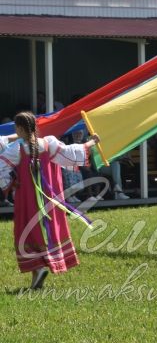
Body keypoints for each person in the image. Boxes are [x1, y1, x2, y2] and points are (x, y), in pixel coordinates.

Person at [0, 112, 99, 290]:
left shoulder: (16, 149)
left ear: (20, 129)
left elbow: (1, 169)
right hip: (49, 201)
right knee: (48, 229)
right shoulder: (49, 143)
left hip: (27, 201)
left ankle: (37, 269)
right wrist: (91, 142)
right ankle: (47, 264)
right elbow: (71, 153)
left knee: (27, 231)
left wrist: (11, 183)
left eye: (16, 128)